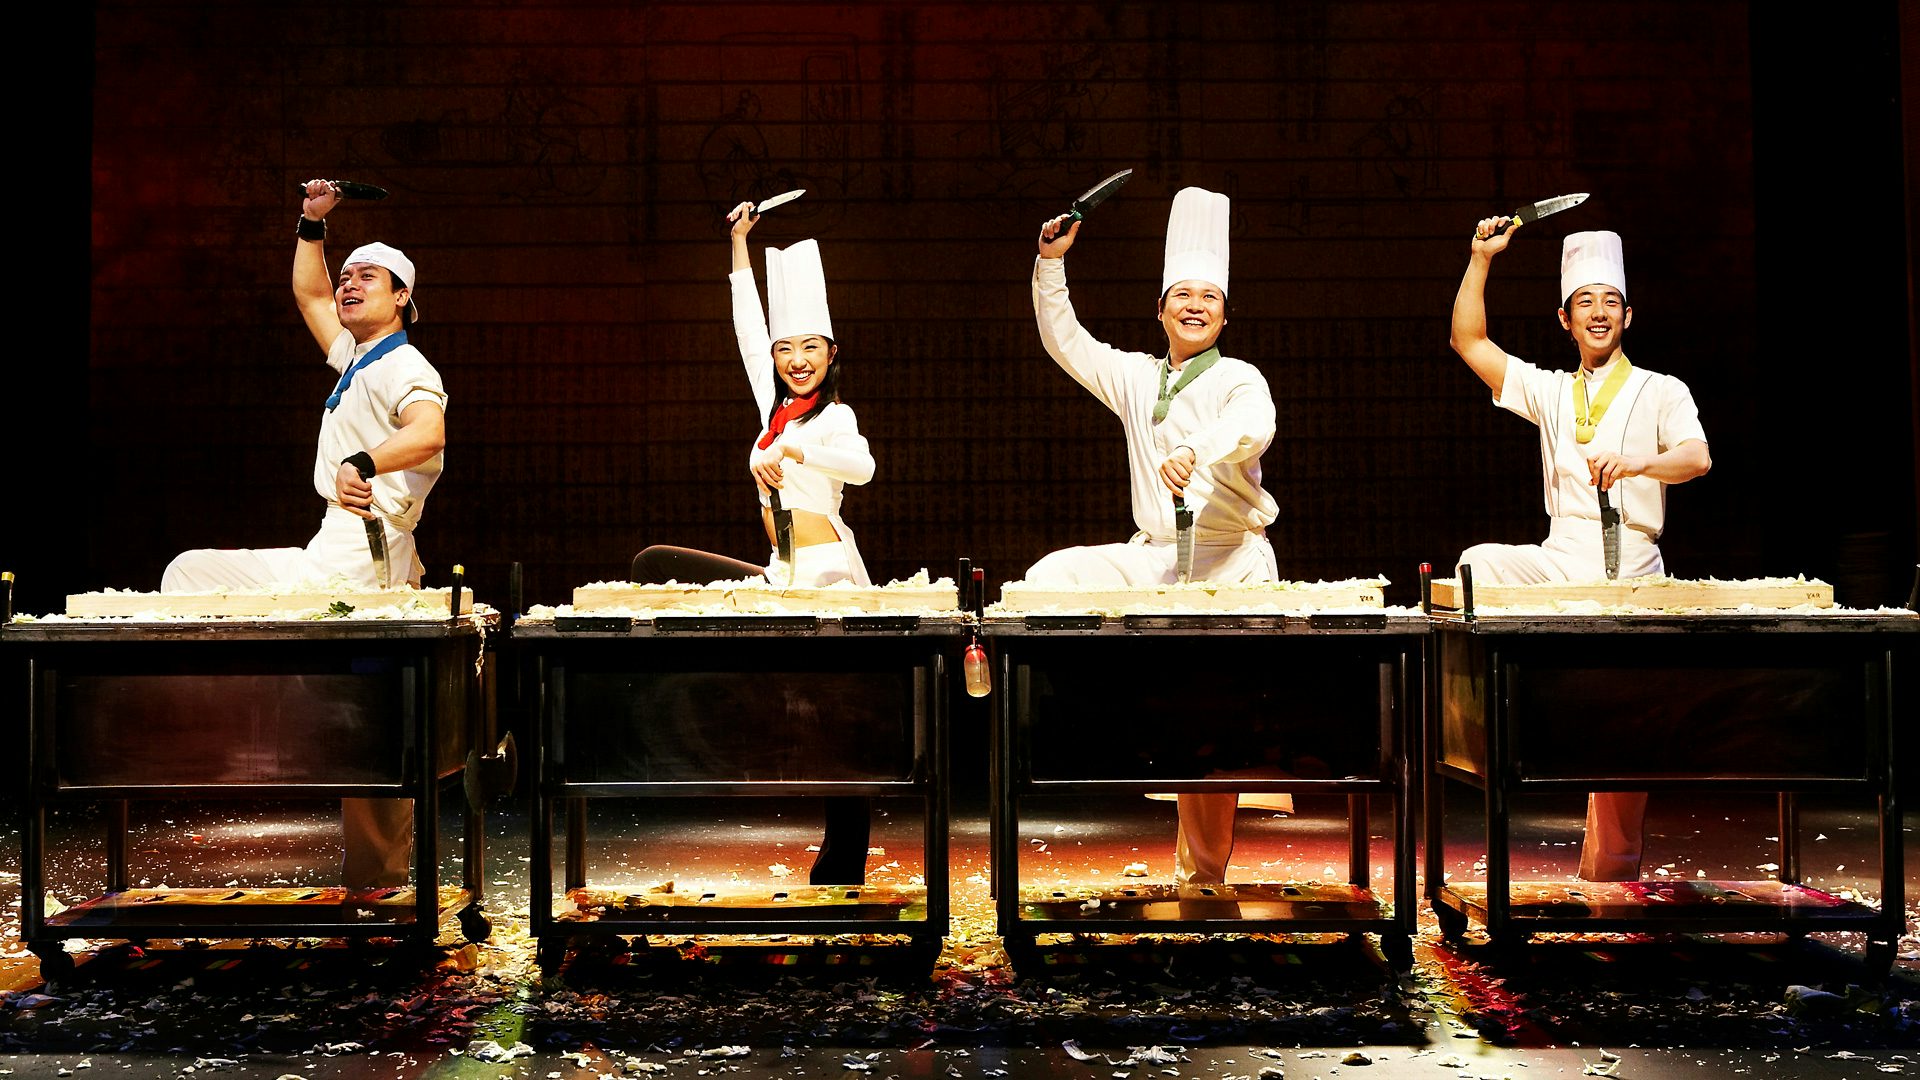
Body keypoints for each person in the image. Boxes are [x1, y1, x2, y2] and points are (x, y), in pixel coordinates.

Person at [162, 178, 449, 890]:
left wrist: (366, 461)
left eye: (367, 277)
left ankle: (379, 881)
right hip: (333, 546)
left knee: (371, 723)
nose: (349, 284)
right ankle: (221, 737)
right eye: (348, 274)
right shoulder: (356, 358)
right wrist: (312, 223)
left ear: (402, 298)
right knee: (189, 573)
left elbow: (429, 433)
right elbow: (310, 295)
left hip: (368, 560)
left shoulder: (407, 364)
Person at [1030, 187, 1280, 885]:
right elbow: (1066, 340)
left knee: (1213, 729)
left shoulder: (1238, 378)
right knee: (1049, 577)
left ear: (1225, 313)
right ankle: (1098, 726)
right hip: (1159, 560)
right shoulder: (1137, 378)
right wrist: (1050, 262)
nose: (1196, 306)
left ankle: (1203, 878)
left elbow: (1253, 427)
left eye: (1210, 297)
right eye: (1183, 296)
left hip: (1229, 565)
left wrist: (1198, 449)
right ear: (1161, 309)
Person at [1448, 220, 1711, 881]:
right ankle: (1501, 722)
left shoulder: (1662, 389)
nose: (1599, 312)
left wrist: (1639, 462)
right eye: (1585, 302)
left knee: (1624, 727)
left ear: (1628, 315)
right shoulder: (1551, 391)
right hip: (1562, 556)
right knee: (1479, 563)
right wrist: (1481, 259)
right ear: (1565, 319)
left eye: (1610, 301)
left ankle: (1611, 875)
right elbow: (1468, 341)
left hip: (1632, 564)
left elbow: (1697, 458)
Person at [629, 202, 876, 884]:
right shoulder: (775, 408)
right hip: (782, 572)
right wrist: (739, 243)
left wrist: (796, 450)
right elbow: (746, 324)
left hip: (827, 578)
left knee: (832, 722)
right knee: (658, 568)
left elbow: (864, 467)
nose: (797, 360)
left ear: (832, 353)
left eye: (811, 347)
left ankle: (843, 854)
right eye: (785, 348)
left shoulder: (833, 418)